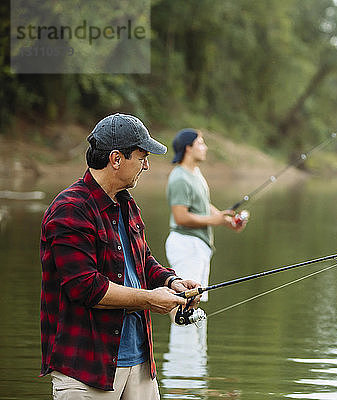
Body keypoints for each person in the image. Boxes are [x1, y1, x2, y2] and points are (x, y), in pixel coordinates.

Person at [40, 113, 201, 399]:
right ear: (116, 159)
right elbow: (86, 288)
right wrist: (150, 299)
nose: (147, 165)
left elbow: (143, 263)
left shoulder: (127, 204)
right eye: (141, 157)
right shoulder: (70, 209)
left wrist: (172, 281)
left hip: (140, 366)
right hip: (86, 369)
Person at [165, 128, 248, 303]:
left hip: (198, 246)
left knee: (195, 302)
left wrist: (227, 221)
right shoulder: (179, 177)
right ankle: (181, 331)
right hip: (185, 245)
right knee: (185, 302)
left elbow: (202, 205)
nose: (205, 148)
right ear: (188, 148)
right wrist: (214, 221)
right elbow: (181, 217)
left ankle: (192, 331)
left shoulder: (195, 173)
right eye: (201, 143)